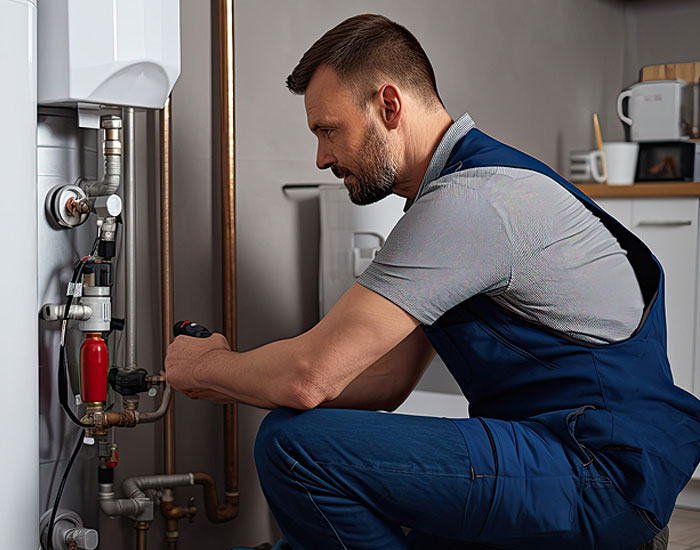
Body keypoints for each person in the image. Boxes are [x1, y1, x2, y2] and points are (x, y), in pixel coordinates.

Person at [165, 13, 700, 550]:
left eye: (329, 130)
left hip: (597, 475)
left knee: (291, 445)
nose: (322, 157)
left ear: (389, 106)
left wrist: (210, 367)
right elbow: (388, 380)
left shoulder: (471, 205)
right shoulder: (457, 200)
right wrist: (250, 381)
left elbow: (311, 377)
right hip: (566, 462)